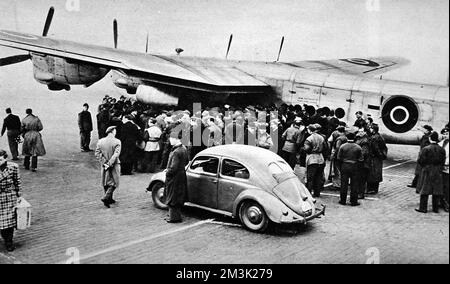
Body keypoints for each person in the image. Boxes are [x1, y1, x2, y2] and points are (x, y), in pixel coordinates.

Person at [415, 132, 446, 213]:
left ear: (430, 138)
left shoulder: (426, 149)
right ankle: (435, 209)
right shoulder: (442, 149)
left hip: (427, 170)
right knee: (436, 190)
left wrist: (425, 166)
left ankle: (423, 208)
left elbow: (421, 160)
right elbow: (443, 160)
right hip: (438, 171)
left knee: (424, 190)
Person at [164, 123, 189, 223]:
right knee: (178, 196)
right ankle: (174, 216)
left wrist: (167, 172)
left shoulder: (175, 152)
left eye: (171, 138)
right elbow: (186, 162)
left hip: (174, 178)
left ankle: (174, 218)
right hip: (181, 175)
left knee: (172, 197)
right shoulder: (184, 148)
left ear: (175, 139)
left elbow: (173, 168)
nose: (170, 140)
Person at [0, 149, 22, 252]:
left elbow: (17, 182)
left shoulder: (13, 167)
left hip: (9, 197)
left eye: (0, 159)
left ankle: (9, 242)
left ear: (5, 158)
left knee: (9, 222)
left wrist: (19, 195)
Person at [95, 126, 121, 208]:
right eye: (115, 130)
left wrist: (104, 162)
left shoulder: (100, 141)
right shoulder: (117, 141)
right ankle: (106, 197)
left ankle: (110, 198)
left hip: (104, 165)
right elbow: (116, 154)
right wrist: (110, 163)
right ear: (113, 131)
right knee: (114, 182)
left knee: (106, 181)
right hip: (114, 164)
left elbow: (97, 153)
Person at [337, 132, 363, 206]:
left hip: (345, 166)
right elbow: (361, 159)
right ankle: (354, 201)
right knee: (354, 184)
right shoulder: (358, 147)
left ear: (347, 138)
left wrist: (341, 166)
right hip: (354, 166)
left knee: (344, 184)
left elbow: (339, 158)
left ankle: (343, 200)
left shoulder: (343, 146)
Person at [304, 124, 327, 197]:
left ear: (310, 130)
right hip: (320, 158)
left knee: (310, 177)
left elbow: (307, 149)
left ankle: (309, 192)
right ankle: (317, 192)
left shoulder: (309, 138)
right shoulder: (322, 137)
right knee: (318, 177)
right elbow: (326, 147)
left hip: (312, 158)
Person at [367, 124, 388, 194]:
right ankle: (375, 189)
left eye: (371, 128)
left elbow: (375, 148)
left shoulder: (374, 138)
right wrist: (382, 156)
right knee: (377, 174)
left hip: (374, 158)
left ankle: (371, 189)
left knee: (372, 173)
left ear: (373, 129)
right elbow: (384, 147)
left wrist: (379, 155)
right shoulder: (380, 137)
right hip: (378, 158)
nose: (369, 129)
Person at [439, 127, 449, 212]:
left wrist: (446, 163)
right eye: (444, 134)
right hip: (441, 168)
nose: (445, 136)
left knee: (447, 187)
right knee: (441, 185)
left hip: (447, 167)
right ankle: (441, 202)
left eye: (447, 134)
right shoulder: (441, 143)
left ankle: (447, 204)